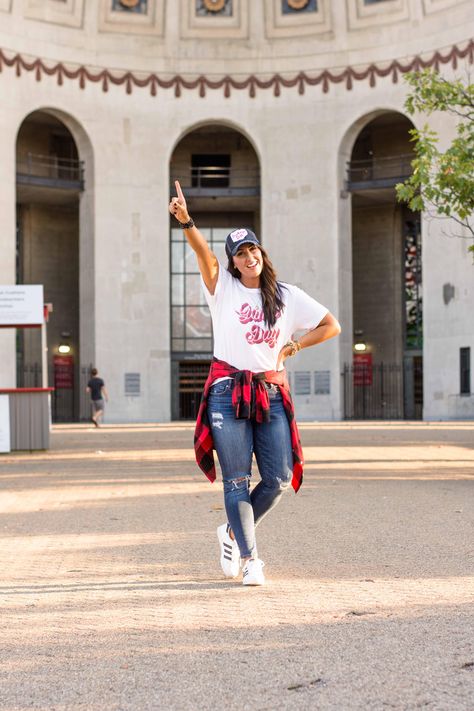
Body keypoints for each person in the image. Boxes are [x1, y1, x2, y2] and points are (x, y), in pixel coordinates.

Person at [169, 180, 341, 586]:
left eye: (252, 250)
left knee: (279, 477)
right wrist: (187, 222)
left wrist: (293, 347)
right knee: (236, 480)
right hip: (228, 392)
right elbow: (204, 255)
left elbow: (331, 325)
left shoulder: (287, 296)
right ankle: (251, 559)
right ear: (233, 262)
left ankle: (231, 530)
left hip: (270, 391)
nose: (248, 257)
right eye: (240, 253)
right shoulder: (222, 289)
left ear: (261, 253)